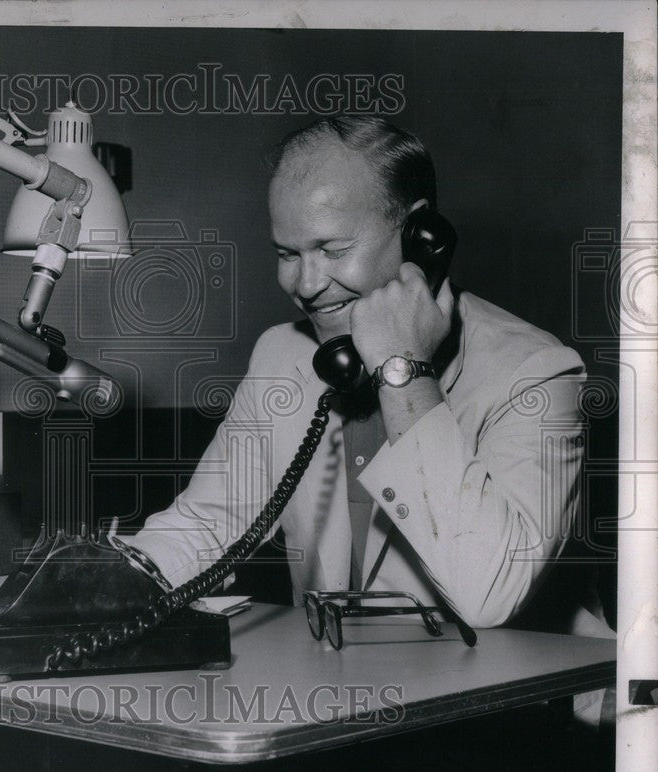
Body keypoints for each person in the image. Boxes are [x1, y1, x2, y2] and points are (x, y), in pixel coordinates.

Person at [121, 115, 613, 654]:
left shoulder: (536, 373)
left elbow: (489, 592)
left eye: (332, 250)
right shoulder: (283, 355)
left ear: (421, 235)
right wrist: (98, 591)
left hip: (505, 716)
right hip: (338, 700)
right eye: (288, 254)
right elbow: (207, 522)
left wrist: (403, 368)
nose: (305, 286)